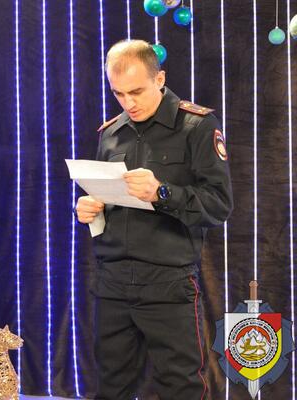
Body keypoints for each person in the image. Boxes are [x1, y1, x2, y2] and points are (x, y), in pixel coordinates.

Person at [75, 39, 233, 400]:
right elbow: (107, 199)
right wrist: (89, 209)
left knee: (182, 388)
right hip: (113, 281)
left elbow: (219, 205)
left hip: (168, 282)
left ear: (159, 79)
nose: (128, 103)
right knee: (110, 388)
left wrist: (162, 192)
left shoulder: (197, 126)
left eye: (136, 92)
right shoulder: (110, 133)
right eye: (118, 94)